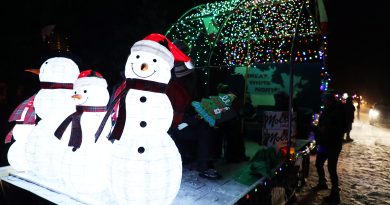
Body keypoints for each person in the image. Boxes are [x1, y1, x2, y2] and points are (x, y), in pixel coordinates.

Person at [166, 40, 221, 180]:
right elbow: (169, 113)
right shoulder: (173, 88)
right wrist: (185, 118)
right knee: (204, 129)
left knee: (211, 125)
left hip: (187, 120)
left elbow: (195, 104)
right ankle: (205, 166)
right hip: (175, 125)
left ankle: (206, 159)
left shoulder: (192, 86)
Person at [312, 91, 346, 203]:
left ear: (330, 100)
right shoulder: (328, 110)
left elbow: (339, 127)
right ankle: (322, 183)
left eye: (324, 99)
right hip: (324, 143)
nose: (323, 101)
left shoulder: (337, 111)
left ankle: (335, 194)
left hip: (333, 144)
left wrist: (326, 129)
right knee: (319, 163)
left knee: (331, 168)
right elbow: (322, 124)